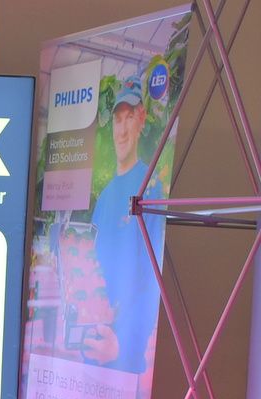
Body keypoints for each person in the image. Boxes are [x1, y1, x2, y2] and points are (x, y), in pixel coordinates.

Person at [81, 73, 167, 375]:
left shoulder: (151, 189)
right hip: (93, 345)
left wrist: (124, 344)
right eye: (118, 120)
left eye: (129, 117)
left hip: (123, 356)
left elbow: (153, 278)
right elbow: (90, 273)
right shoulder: (105, 197)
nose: (122, 129)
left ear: (141, 120)